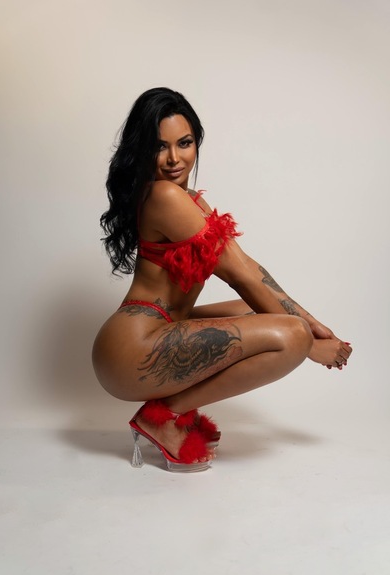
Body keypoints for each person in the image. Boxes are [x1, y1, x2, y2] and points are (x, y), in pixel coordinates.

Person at [92, 87, 352, 472]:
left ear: (197, 142)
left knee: (258, 313)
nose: (174, 158)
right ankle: (164, 416)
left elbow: (247, 265)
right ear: (142, 149)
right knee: (290, 335)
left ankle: (168, 414)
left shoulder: (188, 198)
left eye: (184, 143)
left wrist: (314, 325)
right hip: (131, 347)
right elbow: (238, 273)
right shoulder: (164, 196)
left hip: (159, 330)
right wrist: (309, 342)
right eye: (159, 146)